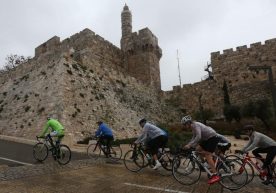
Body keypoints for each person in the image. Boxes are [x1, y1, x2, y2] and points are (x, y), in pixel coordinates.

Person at [181, 115, 220, 184]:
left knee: (207, 155)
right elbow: (194, 137)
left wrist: (190, 145)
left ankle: (215, 175)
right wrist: (189, 144)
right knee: (198, 149)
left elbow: (199, 137)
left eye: (184, 124)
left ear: (188, 123)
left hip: (212, 137)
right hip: (207, 139)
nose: (184, 126)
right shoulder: (193, 127)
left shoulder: (196, 125)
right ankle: (205, 163)